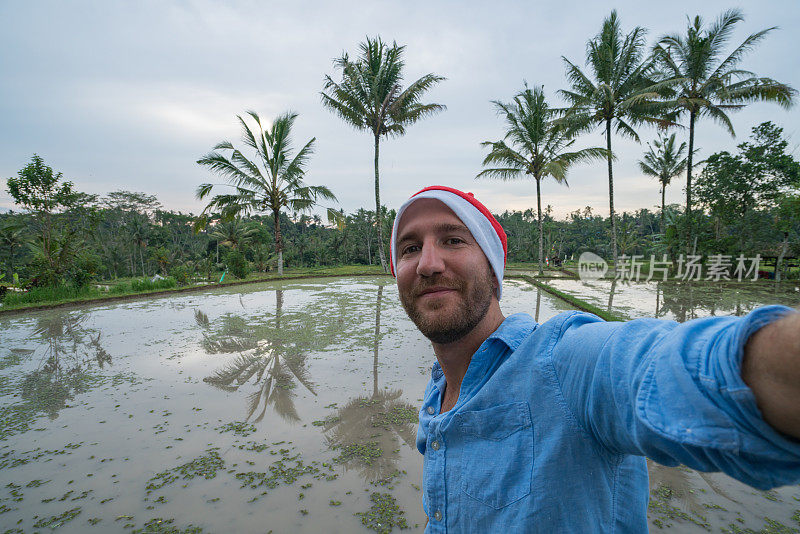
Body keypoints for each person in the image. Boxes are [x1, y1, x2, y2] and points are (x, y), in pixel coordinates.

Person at [388, 185, 800, 533]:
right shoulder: (439, 389)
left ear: (494, 271)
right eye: (410, 248)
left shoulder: (562, 363)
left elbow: (666, 366)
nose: (427, 263)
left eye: (453, 240)